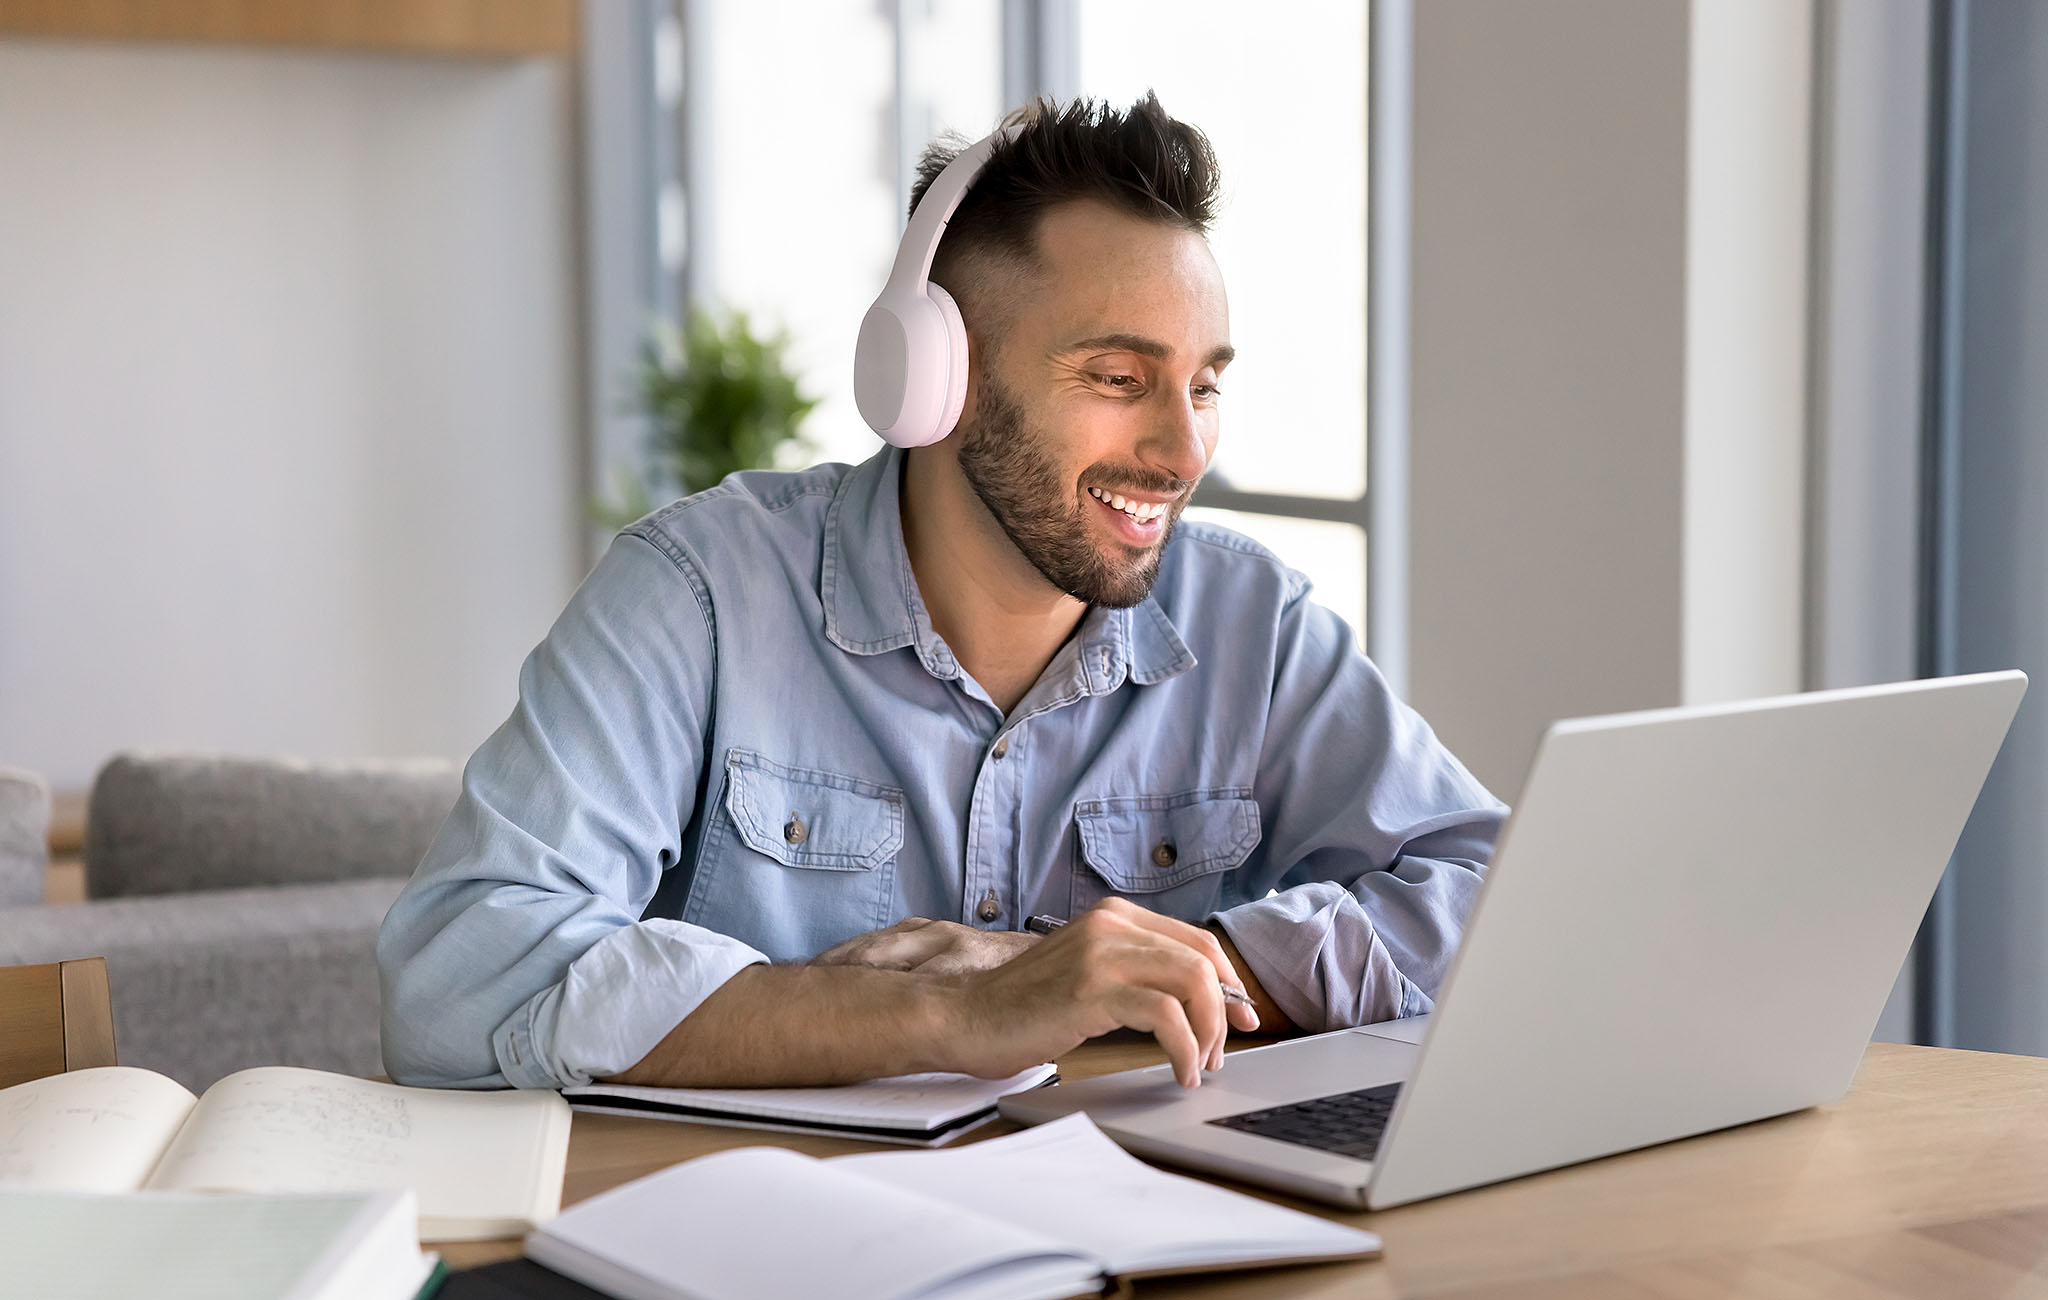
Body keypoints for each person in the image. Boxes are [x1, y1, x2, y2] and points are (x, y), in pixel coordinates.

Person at [377, 93, 1506, 1095]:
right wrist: (952, 1012)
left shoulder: (1249, 624)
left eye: (1202, 385)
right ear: (933, 378)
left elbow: (1502, 898)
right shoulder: (701, 595)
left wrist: (1161, 964)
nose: (1179, 448)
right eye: (1117, 380)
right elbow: (458, 978)